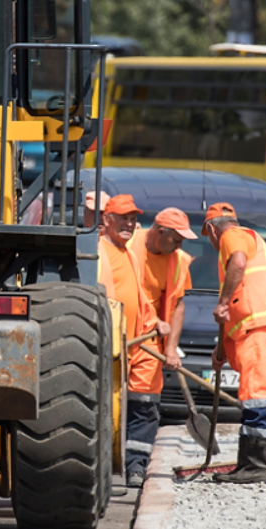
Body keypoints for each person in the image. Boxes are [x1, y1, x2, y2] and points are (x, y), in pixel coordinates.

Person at [201, 202, 266, 484]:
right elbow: (236, 301)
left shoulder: (230, 235)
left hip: (262, 324)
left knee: (257, 395)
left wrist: (222, 301)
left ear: (211, 229)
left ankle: (256, 466)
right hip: (262, 325)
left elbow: (238, 263)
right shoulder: (247, 239)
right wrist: (221, 348)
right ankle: (249, 464)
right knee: (252, 394)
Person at [85, 192, 170, 488]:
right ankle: (99, 468)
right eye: (124, 219)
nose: (130, 225)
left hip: (136, 345)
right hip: (111, 348)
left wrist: (155, 321)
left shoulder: (128, 253)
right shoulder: (98, 251)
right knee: (104, 411)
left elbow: (138, 297)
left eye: (133, 220)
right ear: (107, 220)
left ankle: (136, 467)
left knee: (144, 404)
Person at [131, 207, 196, 374]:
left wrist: (171, 348)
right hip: (120, 335)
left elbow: (178, 306)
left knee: (144, 397)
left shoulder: (180, 262)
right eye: (176, 240)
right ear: (160, 232)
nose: (179, 246)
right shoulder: (127, 243)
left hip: (150, 340)